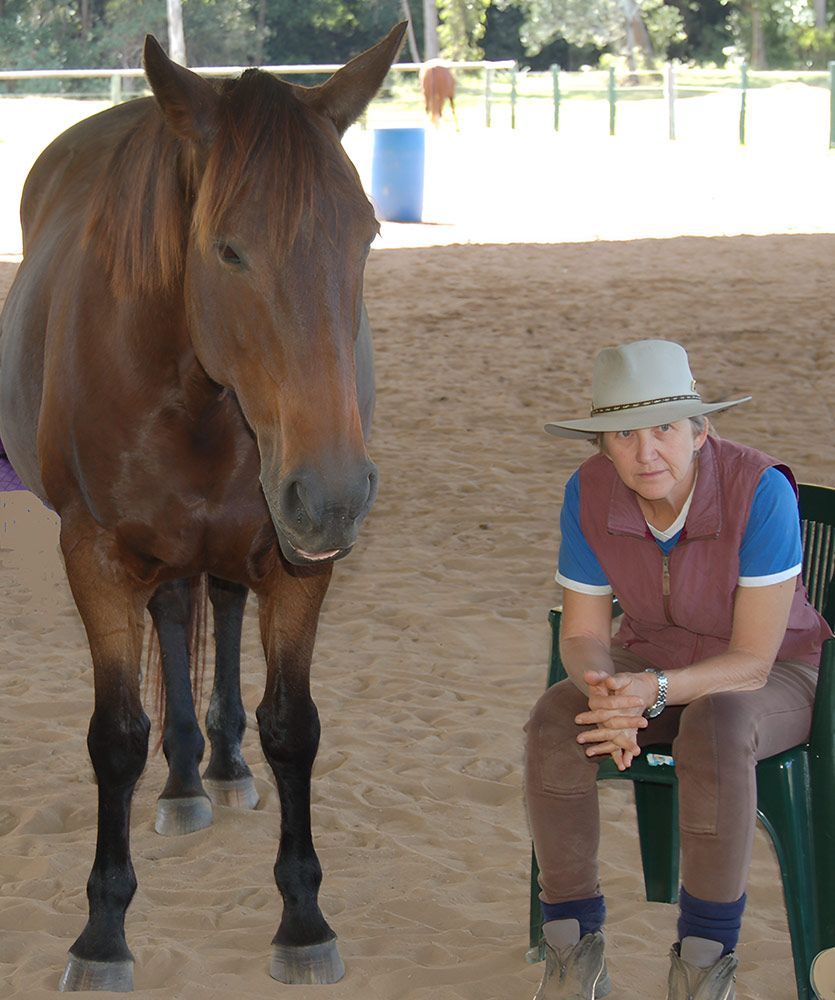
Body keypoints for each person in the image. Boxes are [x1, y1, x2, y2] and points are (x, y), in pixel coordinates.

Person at [525, 339, 832, 1000]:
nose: (645, 453)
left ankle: (701, 963)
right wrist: (605, 691)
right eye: (623, 434)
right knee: (555, 720)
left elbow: (751, 662)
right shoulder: (588, 491)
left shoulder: (759, 490)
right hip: (650, 661)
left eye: (664, 428)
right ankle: (571, 951)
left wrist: (652, 691)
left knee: (716, 727)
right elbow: (581, 634)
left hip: (775, 672)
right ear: (601, 444)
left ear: (699, 431)